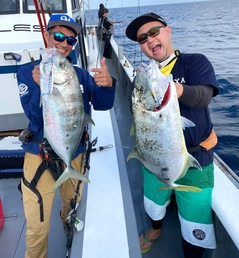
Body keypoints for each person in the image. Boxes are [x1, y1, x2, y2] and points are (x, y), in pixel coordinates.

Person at [17, 14, 116, 258]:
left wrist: (109, 84)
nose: (64, 44)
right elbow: (35, 118)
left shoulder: (80, 75)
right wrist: (41, 88)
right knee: (37, 226)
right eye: (59, 36)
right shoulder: (28, 72)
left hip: (74, 153)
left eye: (70, 40)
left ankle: (67, 223)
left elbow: (103, 105)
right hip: (40, 155)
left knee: (71, 203)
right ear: (47, 36)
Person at [125, 12, 219, 258]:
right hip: (154, 159)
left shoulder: (194, 62)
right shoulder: (148, 76)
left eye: (154, 32)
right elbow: (139, 111)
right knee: (154, 204)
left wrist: (177, 89)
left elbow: (205, 95)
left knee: (195, 221)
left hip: (197, 161)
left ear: (168, 31)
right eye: (142, 39)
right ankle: (155, 229)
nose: (149, 40)